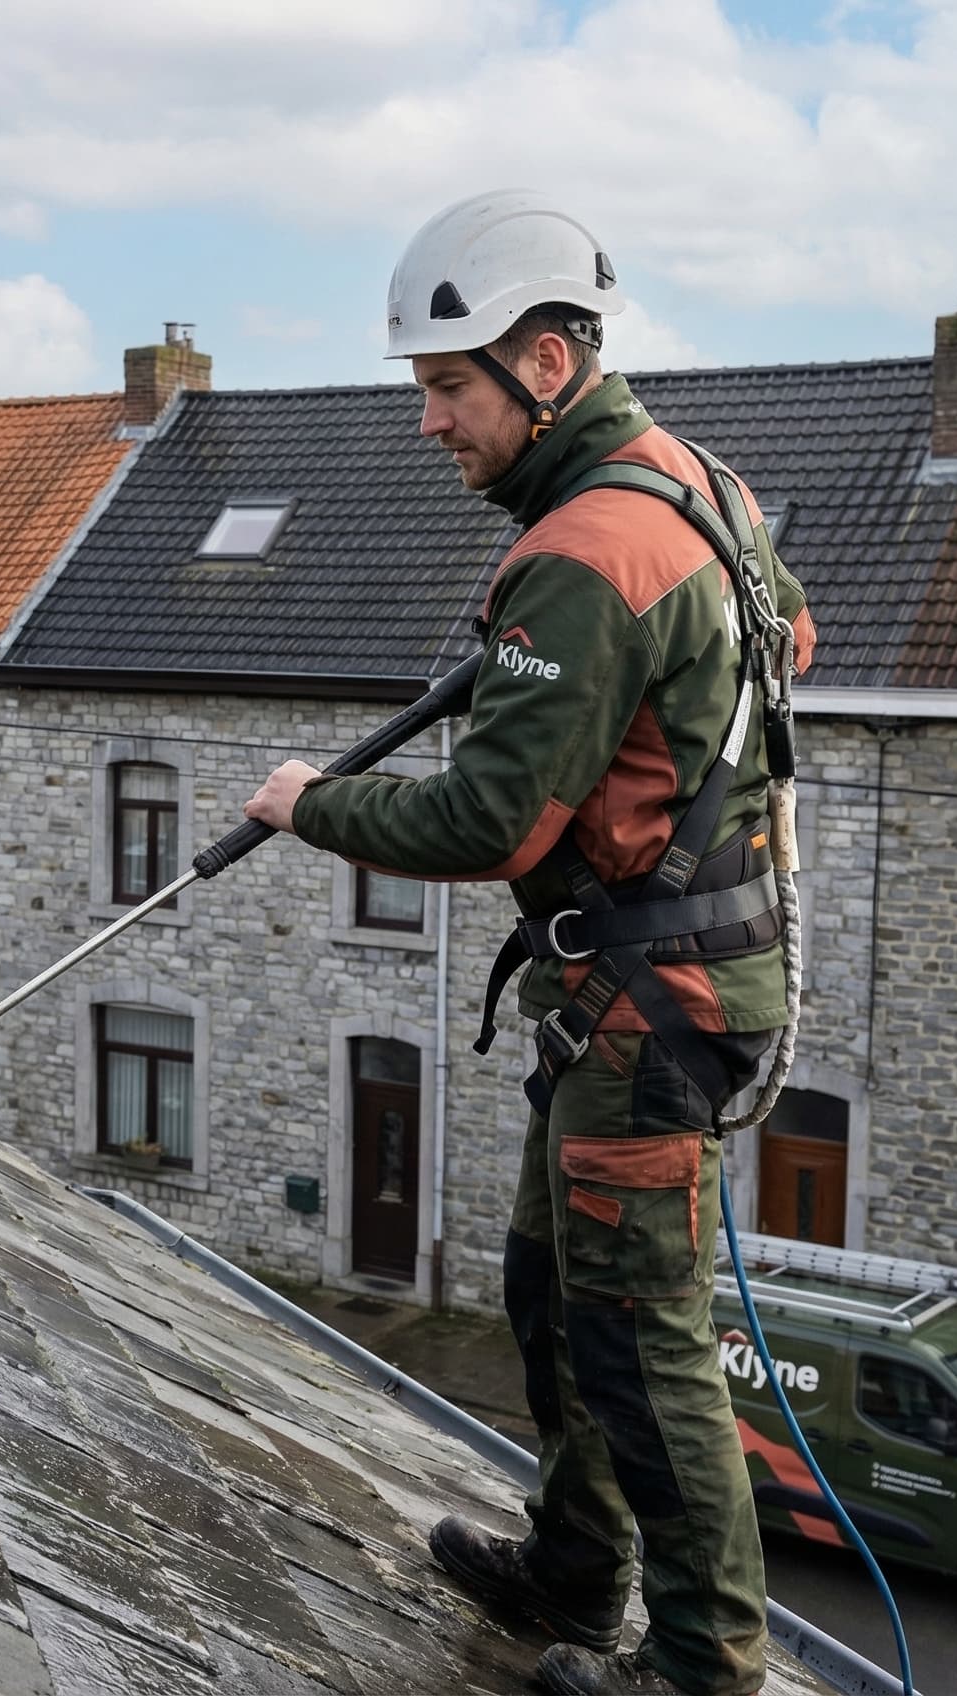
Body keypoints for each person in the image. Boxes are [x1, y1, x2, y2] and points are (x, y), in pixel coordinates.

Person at [243, 190, 816, 1696]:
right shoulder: (703, 489)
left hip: (654, 1002)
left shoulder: (587, 552)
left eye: (448, 386)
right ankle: (575, 1573)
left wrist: (318, 805)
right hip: (633, 989)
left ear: (548, 362)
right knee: (552, 1291)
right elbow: (790, 640)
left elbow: (490, 825)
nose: (428, 423)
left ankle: (702, 1667)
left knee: (641, 1337)